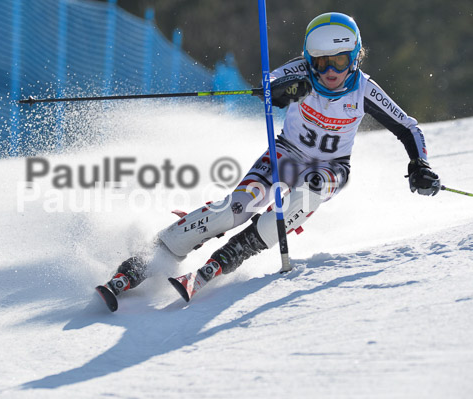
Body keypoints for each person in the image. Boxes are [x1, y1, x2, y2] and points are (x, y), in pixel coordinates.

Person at [97, 12, 441, 307]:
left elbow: (408, 127)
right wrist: (277, 90)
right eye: (320, 62)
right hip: (286, 155)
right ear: (309, 59)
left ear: (355, 57)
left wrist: (419, 164)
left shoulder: (363, 89)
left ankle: (235, 253)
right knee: (237, 207)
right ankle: (152, 256)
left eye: (339, 61)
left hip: (331, 167)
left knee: (310, 191)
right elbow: (269, 83)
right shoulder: (301, 73)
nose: (330, 72)